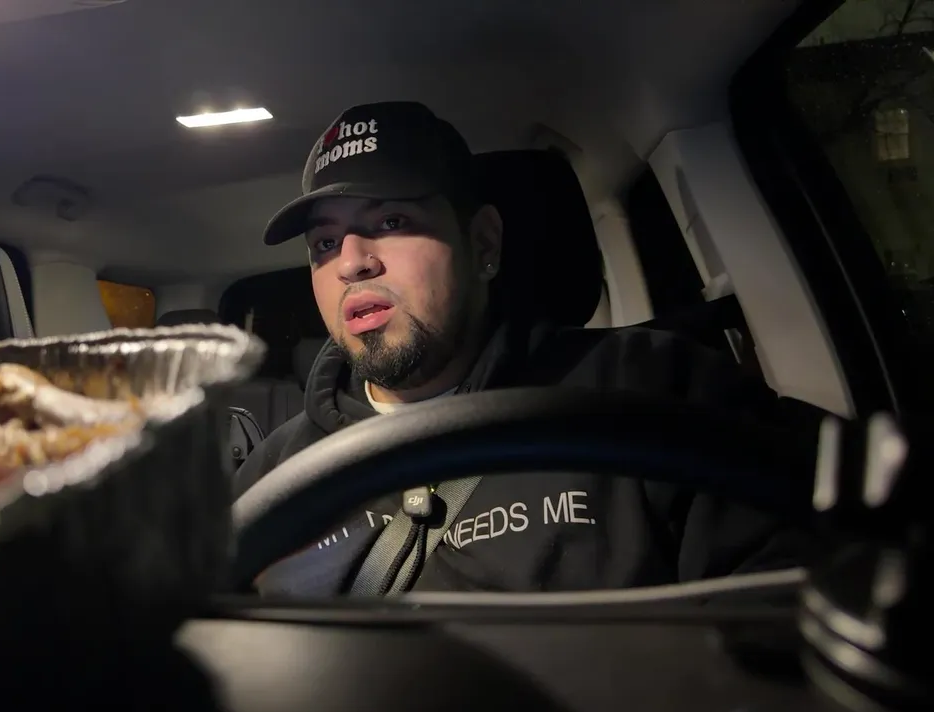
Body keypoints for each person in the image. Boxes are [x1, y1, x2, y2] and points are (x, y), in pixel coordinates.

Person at [235, 100, 816, 597]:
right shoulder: (276, 470)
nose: (352, 262)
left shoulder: (651, 389)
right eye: (325, 243)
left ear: (484, 245)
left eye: (391, 220)